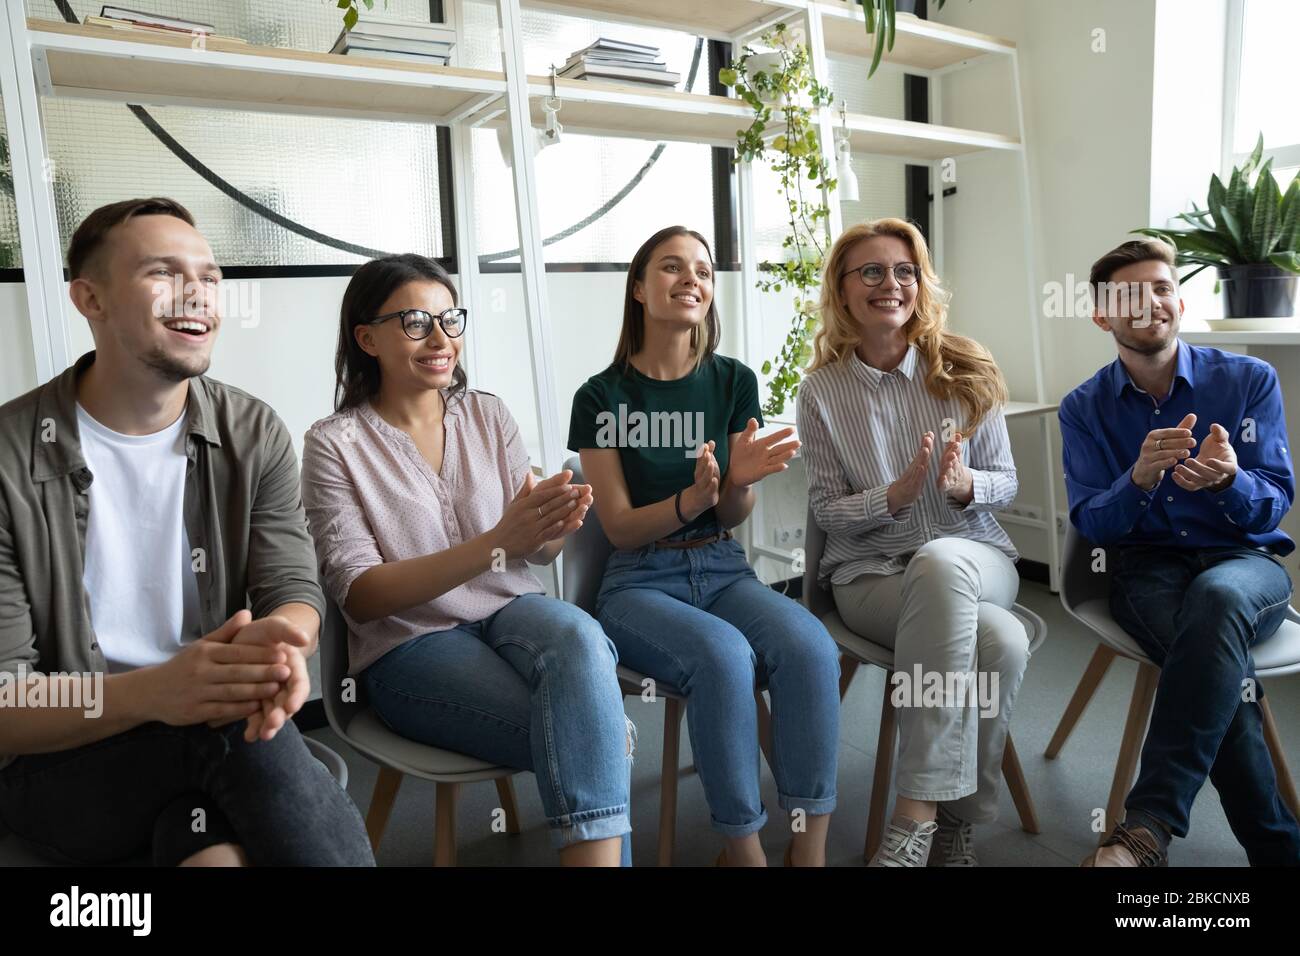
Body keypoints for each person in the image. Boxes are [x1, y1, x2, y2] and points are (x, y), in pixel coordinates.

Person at [0, 197, 374, 866]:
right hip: (60, 760)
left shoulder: (250, 430)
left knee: (209, 847)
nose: (196, 294)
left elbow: (293, 587)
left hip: (208, 737)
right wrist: (157, 691)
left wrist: (282, 645)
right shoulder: (9, 454)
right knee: (224, 718)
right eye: (163, 273)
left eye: (208, 276)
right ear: (91, 298)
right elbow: (8, 699)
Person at [301, 253, 633, 866]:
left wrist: (549, 528)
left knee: (580, 637)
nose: (440, 338)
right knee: (597, 731)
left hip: (511, 606)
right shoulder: (333, 444)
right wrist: (495, 540)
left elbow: (535, 554)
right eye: (415, 321)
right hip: (410, 640)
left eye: (450, 319)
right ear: (366, 338)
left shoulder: (488, 412)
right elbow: (361, 594)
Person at [570, 225, 839, 867]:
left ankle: (810, 848)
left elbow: (735, 513)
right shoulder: (601, 397)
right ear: (639, 289)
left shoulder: (734, 381)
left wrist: (736, 485)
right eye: (671, 266)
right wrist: (689, 501)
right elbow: (619, 528)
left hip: (722, 566)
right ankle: (742, 848)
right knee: (723, 658)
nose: (691, 278)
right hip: (637, 581)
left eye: (703, 269)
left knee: (810, 648)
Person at [1060, 237, 1299, 866]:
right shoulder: (1084, 408)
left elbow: (1275, 501)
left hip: (1246, 566)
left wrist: (1231, 481)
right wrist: (1136, 480)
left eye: (1161, 288)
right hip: (1147, 570)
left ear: (1179, 302)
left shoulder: (1248, 381)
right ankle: (1279, 850)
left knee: (1218, 600)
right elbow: (1093, 522)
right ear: (1102, 316)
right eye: (1130, 295)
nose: (1151, 304)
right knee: (1219, 673)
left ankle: (1146, 831)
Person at [800, 217, 1029, 867]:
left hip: (976, 558)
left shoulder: (964, 366)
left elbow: (1006, 483)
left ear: (921, 284)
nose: (890, 284)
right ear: (842, 291)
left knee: (941, 559)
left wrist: (963, 487)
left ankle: (914, 817)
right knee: (1003, 642)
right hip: (871, 578)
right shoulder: (820, 392)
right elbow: (825, 512)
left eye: (904, 271)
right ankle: (958, 821)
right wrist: (892, 498)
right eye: (870, 271)